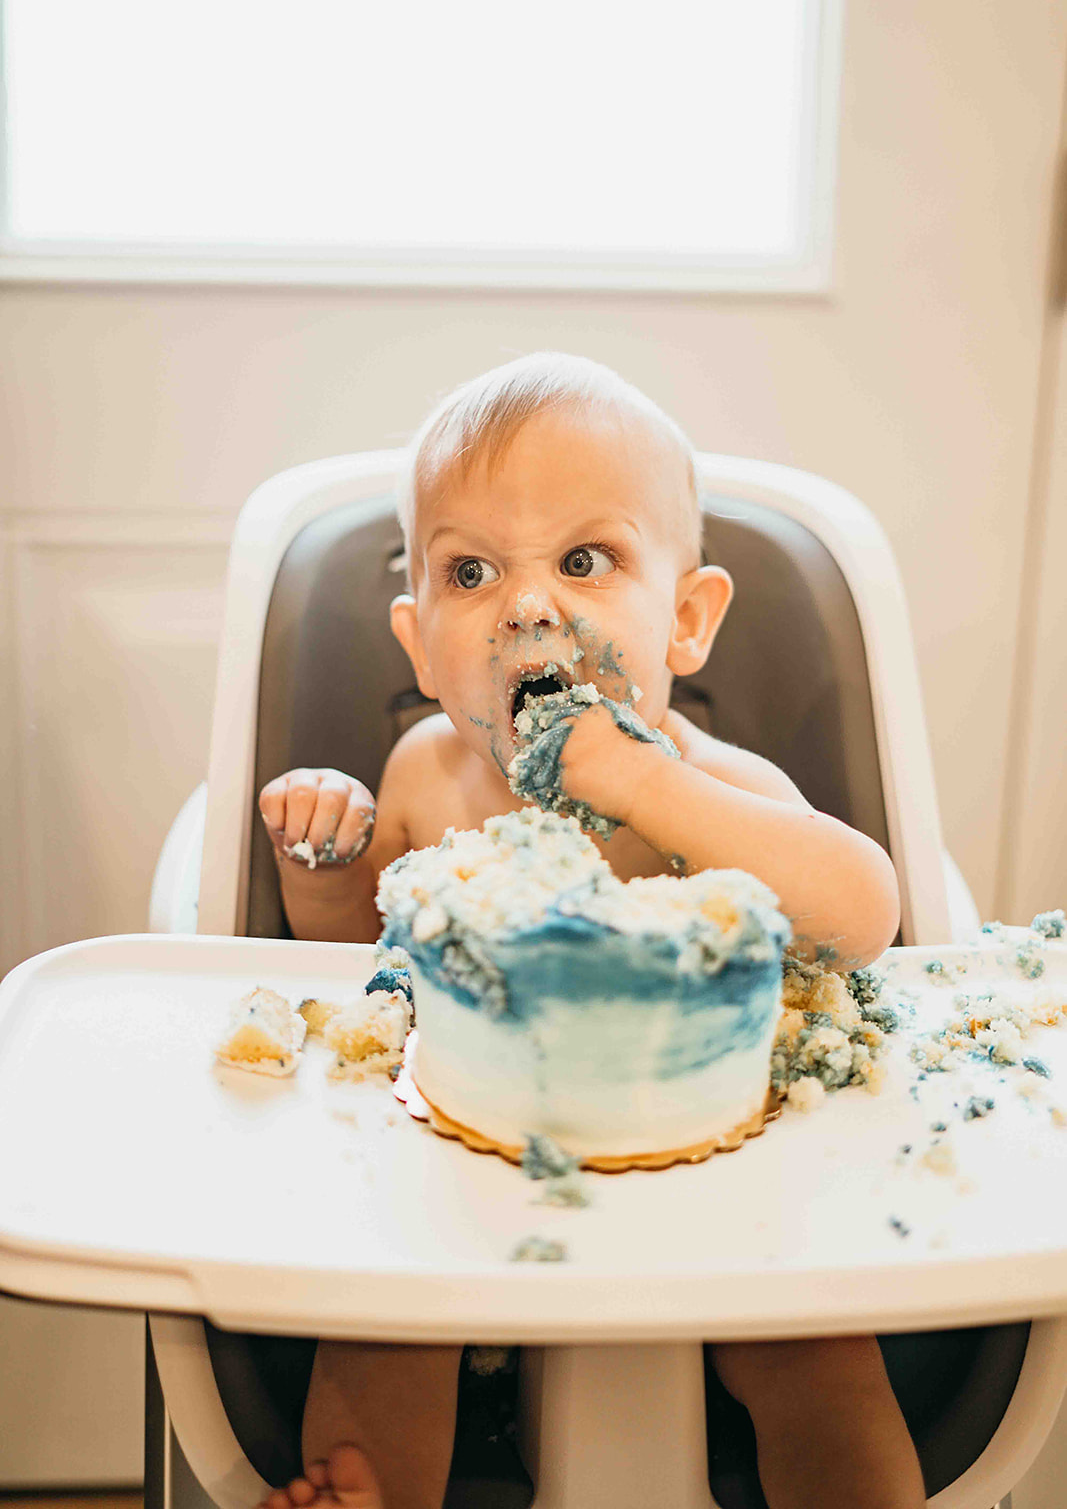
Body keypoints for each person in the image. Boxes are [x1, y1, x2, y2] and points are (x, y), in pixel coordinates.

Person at [256, 353, 924, 1509]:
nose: (525, 604)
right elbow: (344, 956)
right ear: (419, 644)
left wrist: (649, 788)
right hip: (454, 1157)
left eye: (582, 559)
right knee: (373, 1333)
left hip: (720, 1169)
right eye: (471, 571)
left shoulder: (721, 786)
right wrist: (322, 848)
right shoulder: (426, 771)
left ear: (685, 619)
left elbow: (864, 912)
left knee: (818, 1356)